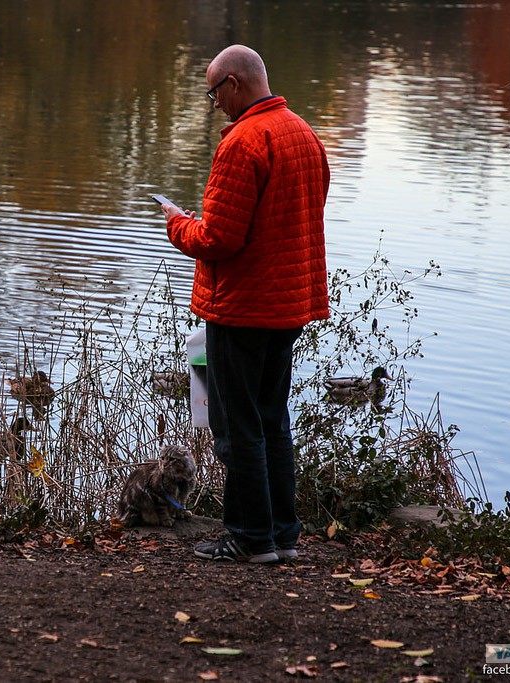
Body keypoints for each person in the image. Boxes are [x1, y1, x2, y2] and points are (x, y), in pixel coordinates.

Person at [160, 45, 330, 563]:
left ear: (234, 83)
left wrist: (177, 222)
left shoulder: (242, 142)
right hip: (289, 304)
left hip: (242, 308)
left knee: (237, 427)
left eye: (214, 92)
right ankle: (283, 535)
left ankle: (249, 539)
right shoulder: (304, 134)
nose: (214, 104)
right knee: (273, 419)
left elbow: (219, 240)